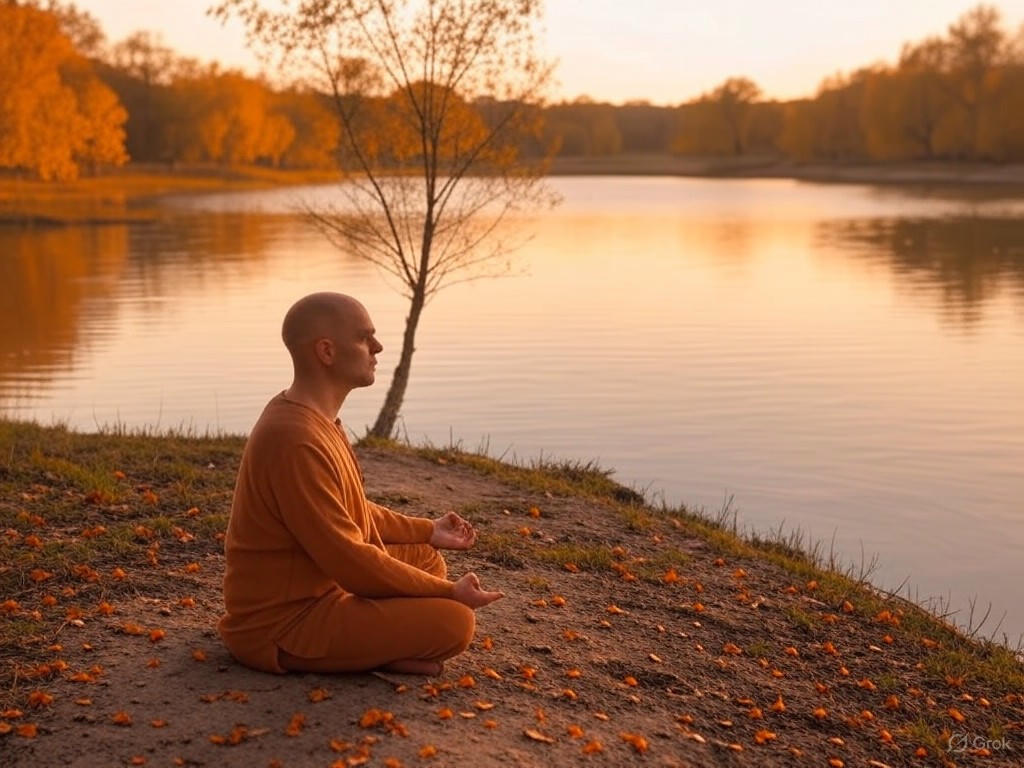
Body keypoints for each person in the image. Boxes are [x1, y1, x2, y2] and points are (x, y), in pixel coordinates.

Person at [218, 292, 503, 675]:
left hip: (328, 585)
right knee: (455, 622)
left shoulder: (316, 419)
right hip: (284, 623)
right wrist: (449, 593)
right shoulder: (294, 438)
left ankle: (374, 649)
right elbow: (350, 560)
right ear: (327, 352)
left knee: (425, 557)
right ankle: (357, 654)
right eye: (365, 338)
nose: (378, 347)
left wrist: (427, 531)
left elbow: (350, 511)